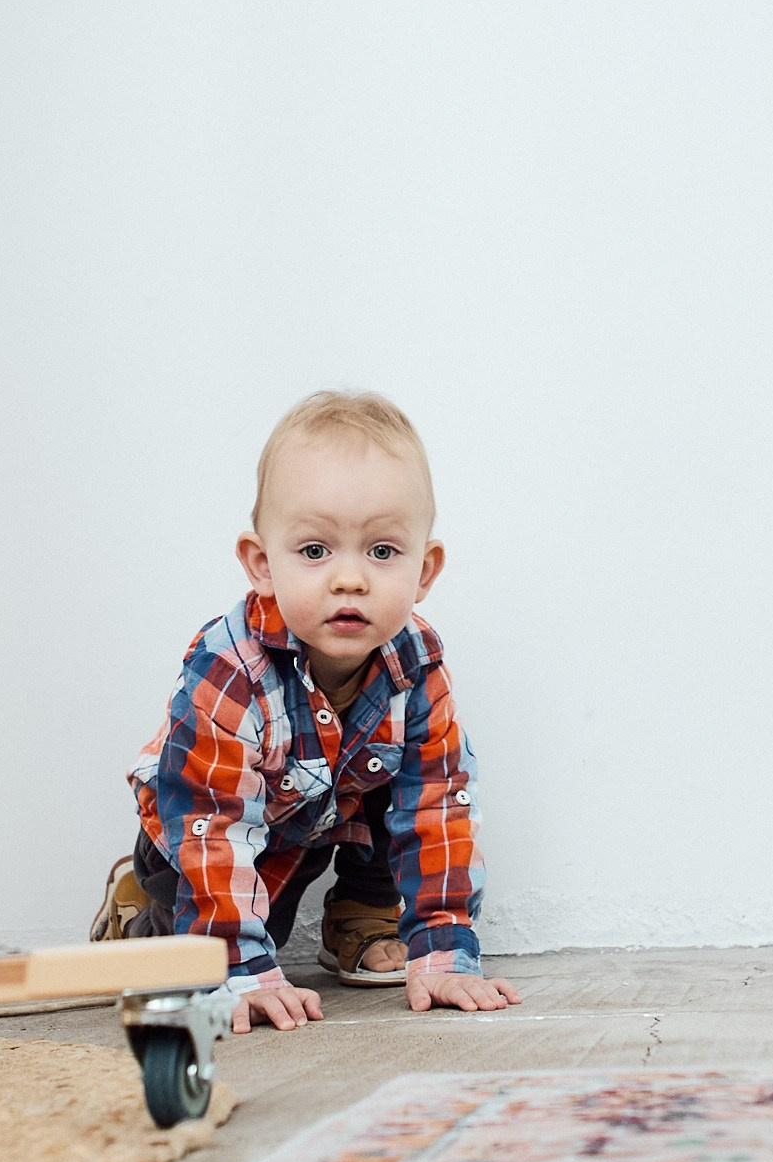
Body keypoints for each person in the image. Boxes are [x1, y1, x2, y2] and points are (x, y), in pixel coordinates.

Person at [99, 390, 520, 1033]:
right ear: (262, 564)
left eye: (381, 552)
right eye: (316, 551)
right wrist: (237, 966)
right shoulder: (232, 666)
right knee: (213, 949)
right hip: (200, 835)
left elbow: (436, 807)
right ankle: (139, 913)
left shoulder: (416, 664)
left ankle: (365, 912)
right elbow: (214, 824)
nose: (349, 580)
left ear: (424, 569)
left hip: (319, 818)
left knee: (414, 776)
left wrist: (445, 950)